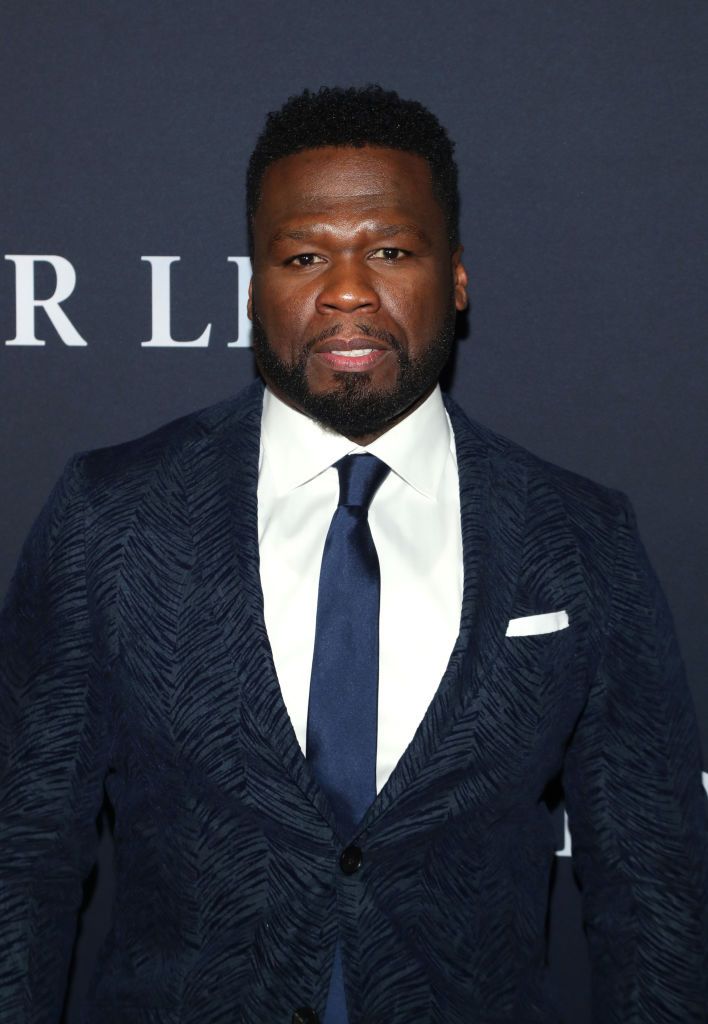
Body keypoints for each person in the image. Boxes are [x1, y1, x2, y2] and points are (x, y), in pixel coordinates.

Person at [1, 85, 706, 1024]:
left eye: (388, 249)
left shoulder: (576, 533)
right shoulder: (111, 514)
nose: (344, 288)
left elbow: (654, 887)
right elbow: (23, 853)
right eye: (302, 255)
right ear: (255, 285)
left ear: (455, 276)